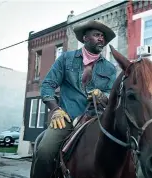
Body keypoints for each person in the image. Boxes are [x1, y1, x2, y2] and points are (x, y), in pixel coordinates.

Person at [30, 20, 117, 178]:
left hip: (96, 120)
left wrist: (102, 96)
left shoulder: (110, 68)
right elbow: (47, 85)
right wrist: (55, 110)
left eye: (103, 37)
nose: (101, 39)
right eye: (97, 35)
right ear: (85, 38)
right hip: (66, 118)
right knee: (44, 151)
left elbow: (112, 95)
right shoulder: (66, 59)